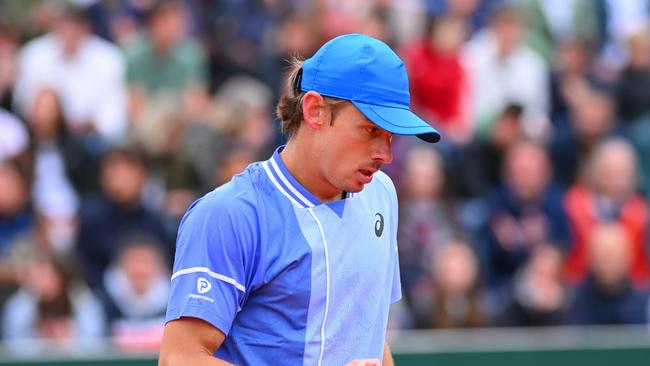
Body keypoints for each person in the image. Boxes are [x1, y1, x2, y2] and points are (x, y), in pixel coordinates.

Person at [159, 33, 440, 366]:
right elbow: (180, 359)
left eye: (391, 136)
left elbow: (369, 336)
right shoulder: (228, 214)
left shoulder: (382, 194)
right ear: (315, 110)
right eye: (370, 130)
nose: (385, 155)